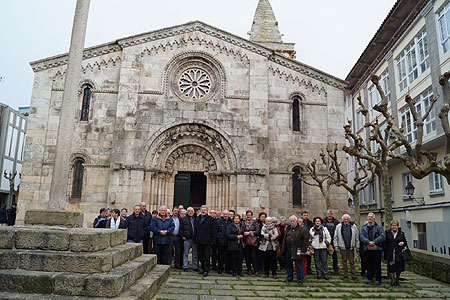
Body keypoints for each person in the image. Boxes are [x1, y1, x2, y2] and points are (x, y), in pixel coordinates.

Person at [281, 215, 309, 285]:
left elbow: (305, 241)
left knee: (299, 264)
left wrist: (303, 250)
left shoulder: (302, 230)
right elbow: (285, 239)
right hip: (289, 249)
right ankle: (289, 277)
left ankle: (300, 279)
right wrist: (283, 249)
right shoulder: (288, 229)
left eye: (293, 221)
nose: (292, 222)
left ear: (296, 221)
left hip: (298, 249)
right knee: (288, 264)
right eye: (291, 221)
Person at [360, 212, 386, 285]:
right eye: (368, 217)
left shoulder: (378, 227)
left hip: (376, 248)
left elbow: (383, 236)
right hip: (367, 248)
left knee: (377, 264)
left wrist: (374, 242)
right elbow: (361, 236)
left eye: (371, 217)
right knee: (368, 264)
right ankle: (369, 278)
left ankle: (378, 279)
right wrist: (368, 242)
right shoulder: (364, 227)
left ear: (374, 218)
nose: (370, 218)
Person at [334, 214, 359, 280]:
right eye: (345, 219)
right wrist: (336, 246)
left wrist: (357, 246)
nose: (346, 220)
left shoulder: (354, 226)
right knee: (344, 261)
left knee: (352, 262)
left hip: (351, 247)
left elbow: (357, 237)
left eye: (347, 219)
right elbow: (335, 237)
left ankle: (353, 275)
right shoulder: (339, 226)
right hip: (342, 247)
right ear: (343, 220)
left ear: (349, 220)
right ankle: (345, 274)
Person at [194, 205, 217, 276]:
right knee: (200, 256)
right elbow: (195, 229)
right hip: (199, 241)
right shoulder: (197, 219)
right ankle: (203, 268)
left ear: (207, 211)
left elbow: (214, 231)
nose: (203, 211)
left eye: (204, 210)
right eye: (202, 210)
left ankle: (206, 270)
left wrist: (212, 241)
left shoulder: (211, 219)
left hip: (207, 241)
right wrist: (195, 239)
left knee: (206, 256)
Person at [385, 219, 408, 286]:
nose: (394, 227)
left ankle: (397, 279)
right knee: (391, 267)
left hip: (399, 253)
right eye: (392, 225)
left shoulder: (401, 233)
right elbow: (385, 242)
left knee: (399, 267)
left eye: (395, 225)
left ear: (398, 226)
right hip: (390, 253)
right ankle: (392, 280)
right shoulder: (387, 233)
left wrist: (402, 243)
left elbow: (405, 242)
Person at [242, 210, 259, 276]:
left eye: (250, 215)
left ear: (251, 215)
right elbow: (242, 230)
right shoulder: (243, 222)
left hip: (253, 242)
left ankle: (256, 270)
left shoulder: (255, 222)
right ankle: (249, 270)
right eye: (247, 215)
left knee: (253, 256)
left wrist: (250, 232)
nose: (248, 216)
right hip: (246, 241)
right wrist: (244, 233)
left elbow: (257, 230)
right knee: (247, 257)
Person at [180, 207, 198, 272]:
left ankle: (195, 266)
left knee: (195, 254)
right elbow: (181, 229)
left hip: (195, 239)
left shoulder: (197, 219)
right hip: (187, 239)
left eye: (192, 211)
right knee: (185, 253)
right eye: (189, 211)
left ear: (193, 211)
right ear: (187, 212)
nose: (190, 212)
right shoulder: (184, 219)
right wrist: (182, 236)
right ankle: (185, 266)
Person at [323, 210, 340, 274]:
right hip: (325, 241)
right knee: (324, 256)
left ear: (332, 214)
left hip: (333, 241)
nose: (329, 215)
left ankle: (335, 268)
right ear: (326, 214)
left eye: (330, 214)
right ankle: (324, 269)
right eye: (328, 214)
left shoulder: (336, 222)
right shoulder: (323, 221)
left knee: (335, 256)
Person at [216, 209, 231, 274]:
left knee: (228, 256)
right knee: (220, 256)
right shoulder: (219, 221)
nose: (225, 215)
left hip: (229, 241)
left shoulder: (231, 221)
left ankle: (228, 269)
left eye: (226, 214)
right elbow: (216, 230)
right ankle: (220, 268)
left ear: (228, 215)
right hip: (221, 241)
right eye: (224, 214)